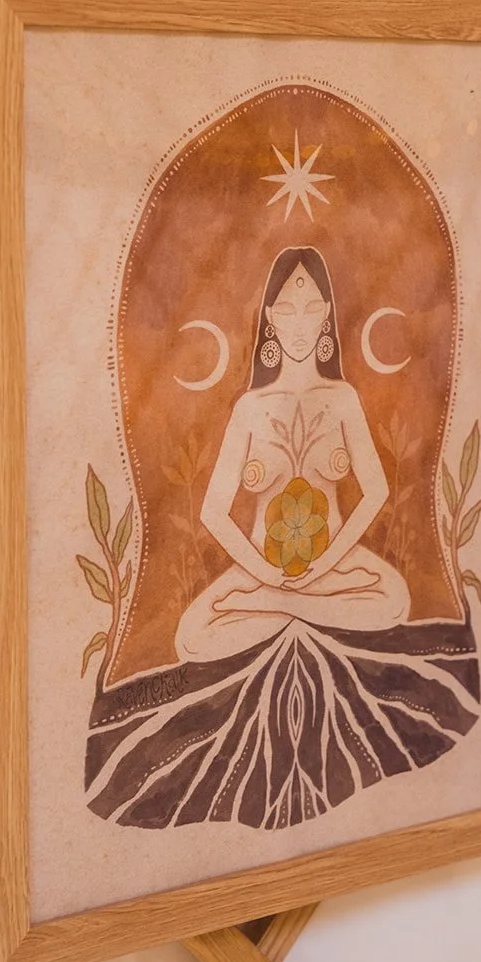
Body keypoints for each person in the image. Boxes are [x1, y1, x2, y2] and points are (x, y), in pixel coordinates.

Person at [175, 246, 410, 660]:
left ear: (326, 314)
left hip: (333, 568)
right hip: (261, 571)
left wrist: (325, 564)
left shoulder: (342, 398)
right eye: (286, 309)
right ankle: (286, 604)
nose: (299, 324)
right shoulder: (249, 407)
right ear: (269, 318)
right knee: (192, 637)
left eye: (309, 309)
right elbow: (213, 511)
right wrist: (263, 572)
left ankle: (279, 609)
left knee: (395, 600)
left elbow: (375, 491)